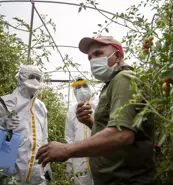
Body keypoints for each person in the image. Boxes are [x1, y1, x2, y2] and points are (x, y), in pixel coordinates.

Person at [36, 35, 156, 185]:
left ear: (118, 56)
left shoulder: (124, 79)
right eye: (90, 57)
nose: (93, 60)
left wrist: (67, 149)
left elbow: (122, 135)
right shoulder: (111, 84)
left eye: (98, 54)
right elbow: (117, 129)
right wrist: (91, 122)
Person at [0, 65, 52, 185]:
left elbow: (44, 138)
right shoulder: (4, 103)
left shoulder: (41, 108)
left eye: (38, 78)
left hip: (36, 173)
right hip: (8, 169)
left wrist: (47, 164)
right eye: (31, 76)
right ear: (21, 78)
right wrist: (0, 124)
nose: (34, 80)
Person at [65, 77, 98, 185]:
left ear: (90, 87)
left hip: (99, 153)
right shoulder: (71, 111)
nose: (81, 89)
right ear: (74, 91)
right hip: (79, 158)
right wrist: (69, 163)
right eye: (78, 87)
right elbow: (69, 138)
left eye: (84, 86)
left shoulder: (99, 106)